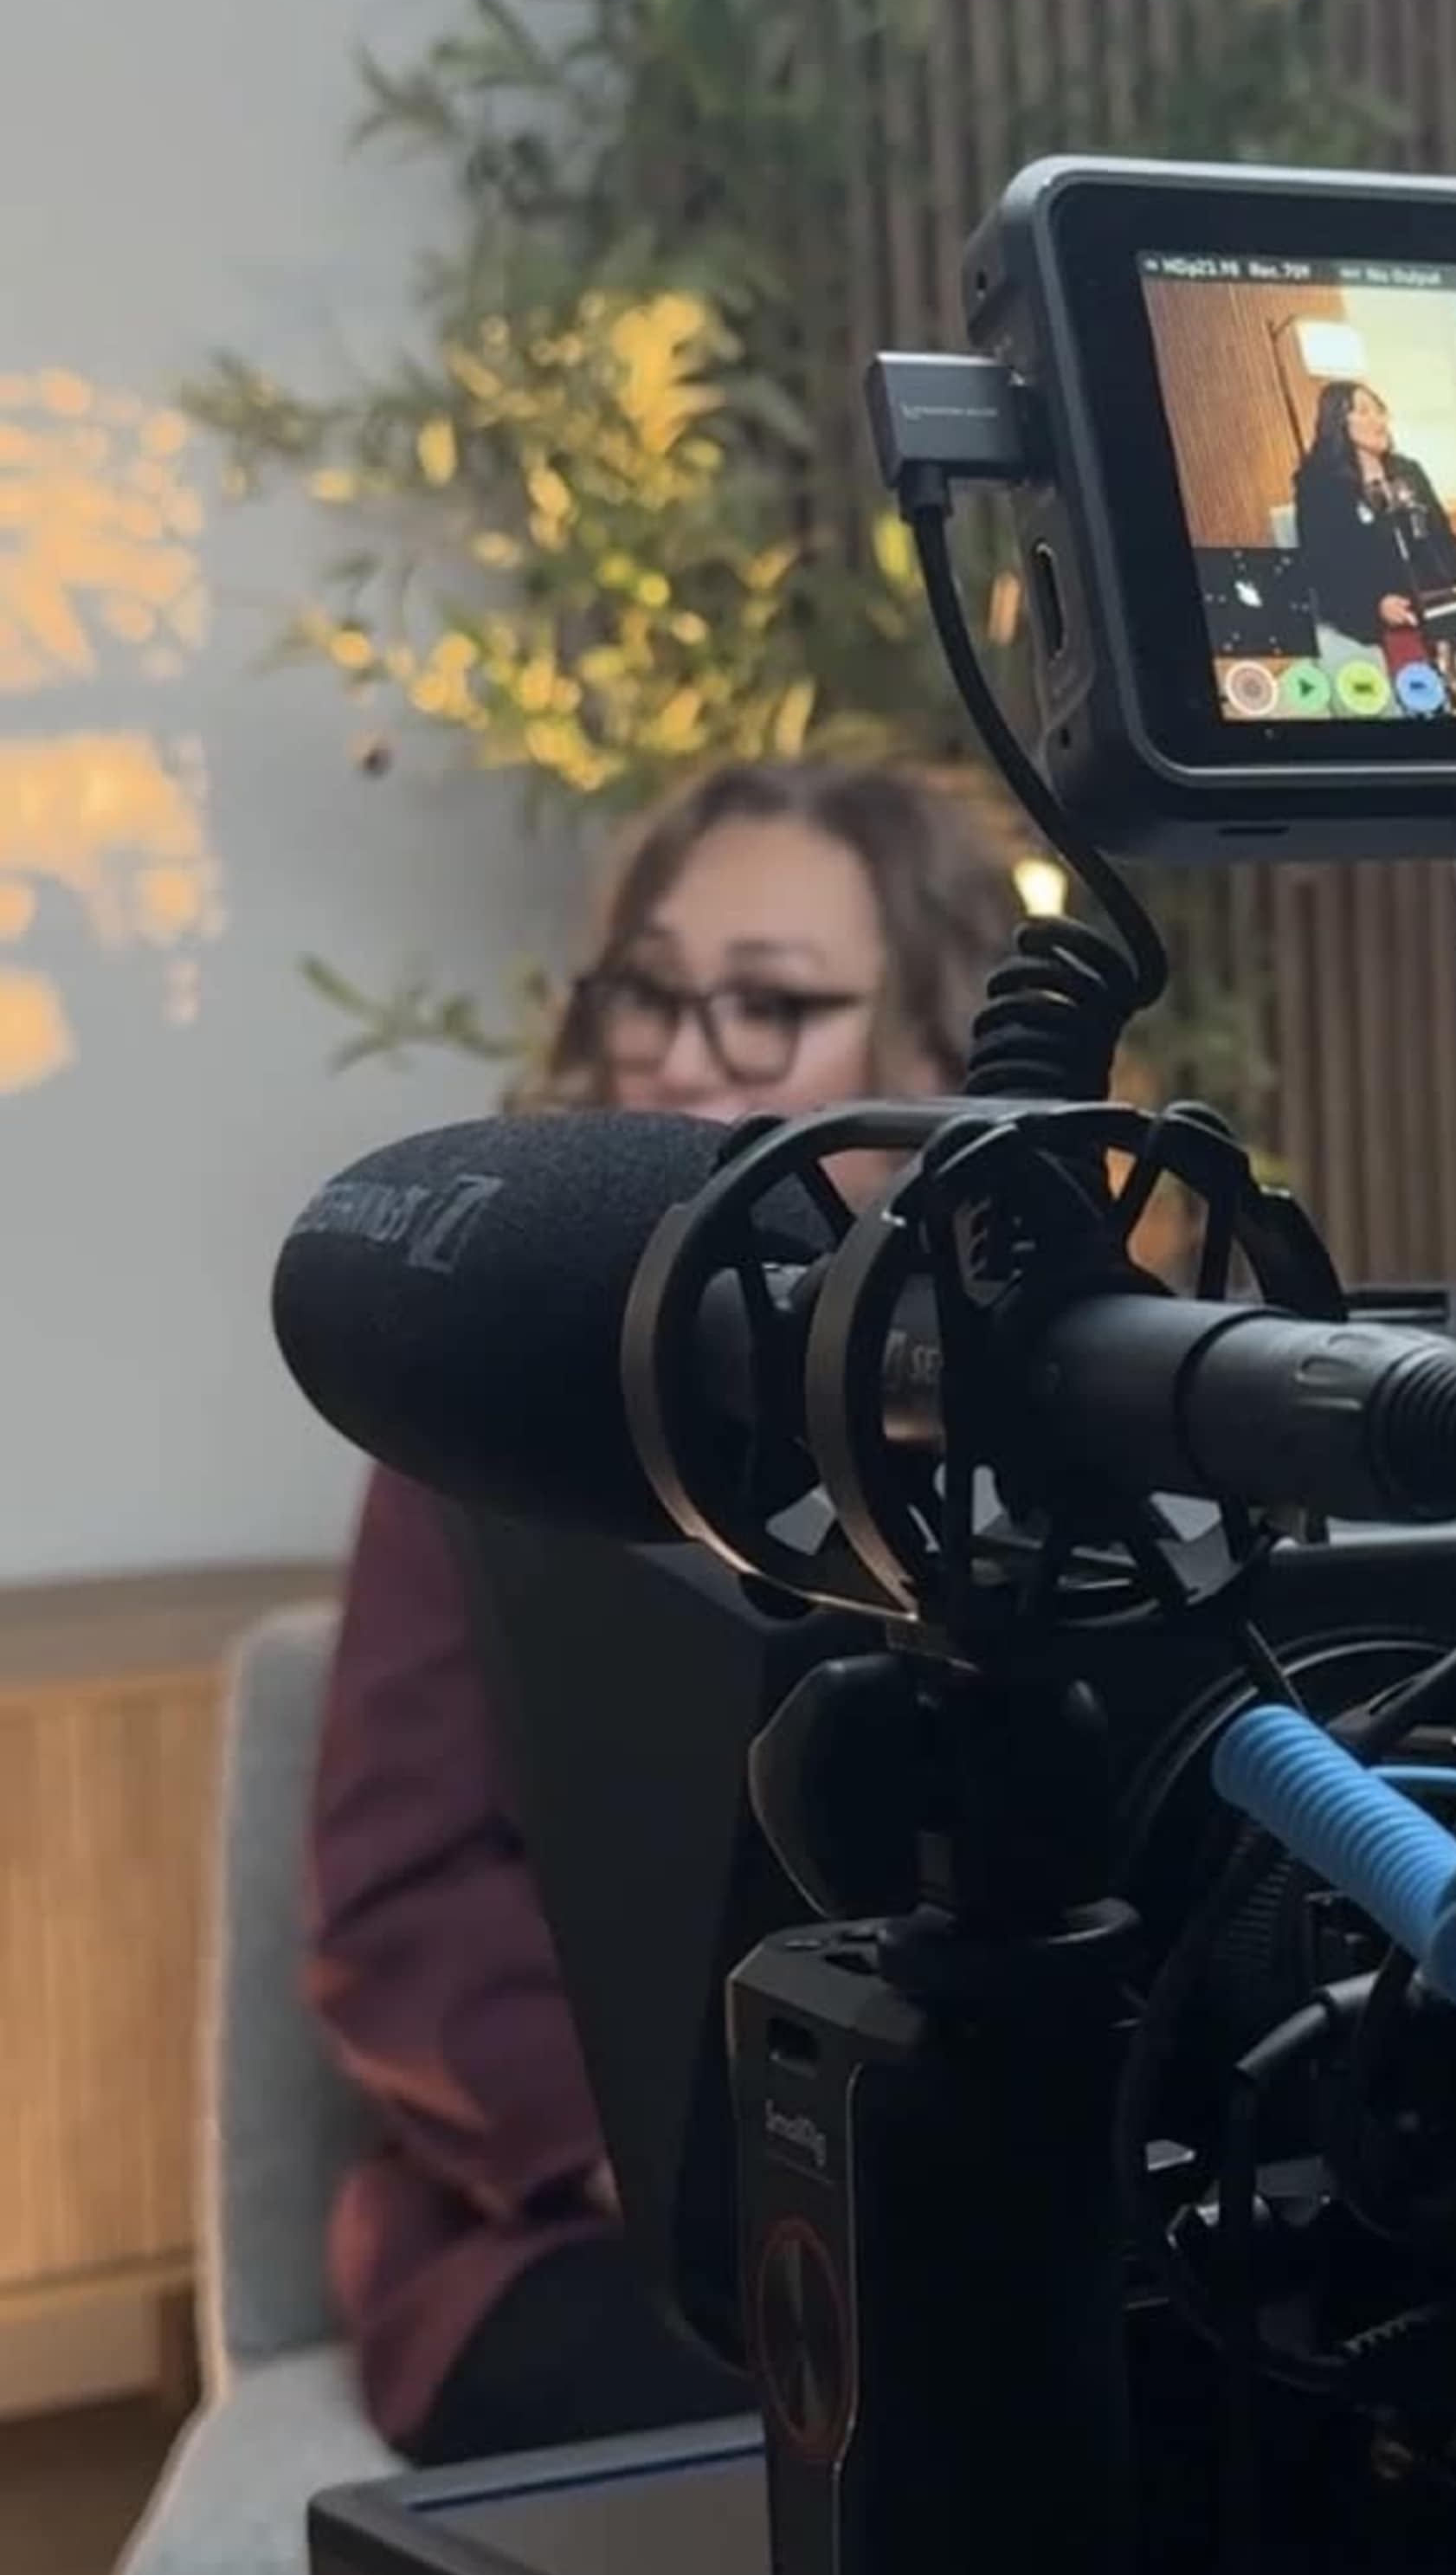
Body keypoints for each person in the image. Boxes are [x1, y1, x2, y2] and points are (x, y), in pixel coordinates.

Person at [310, 755, 1006, 2477]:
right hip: (587, 2233)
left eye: (768, 1004)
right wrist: (717, 2154)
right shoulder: (481, 1417)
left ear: (929, 1063)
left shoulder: (1051, 1404)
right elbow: (401, 1917)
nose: (684, 1054)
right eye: (653, 991)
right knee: (861, 2447)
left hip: (1000, 2190)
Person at [1288, 373, 1456, 689]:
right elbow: (1323, 564)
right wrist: (1375, 604)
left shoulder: (1408, 471)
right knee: (1417, 650)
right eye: (1364, 411)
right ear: (1338, 422)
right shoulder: (1320, 486)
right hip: (1375, 600)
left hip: (1432, 588)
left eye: (1379, 410)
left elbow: (1441, 534)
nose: (1378, 419)